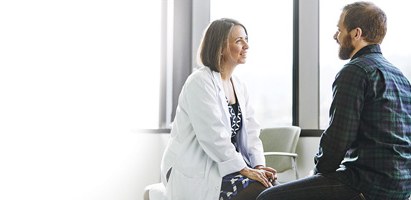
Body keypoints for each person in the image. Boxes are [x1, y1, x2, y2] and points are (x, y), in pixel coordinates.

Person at [257, 2, 411, 200]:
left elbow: (338, 138)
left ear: (357, 33)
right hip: (401, 185)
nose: (335, 36)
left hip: (366, 184)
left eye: (339, 30)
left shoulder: (355, 71)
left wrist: (318, 172)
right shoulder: (399, 76)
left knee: (267, 197)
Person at [160, 18, 278, 200]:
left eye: (246, 39)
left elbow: (252, 131)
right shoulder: (199, 82)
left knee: (276, 189)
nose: (246, 46)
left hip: (228, 167)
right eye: (239, 41)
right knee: (264, 194)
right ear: (220, 47)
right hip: (196, 168)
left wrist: (258, 166)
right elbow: (212, 135)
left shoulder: (238, 85)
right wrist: (244, 169)